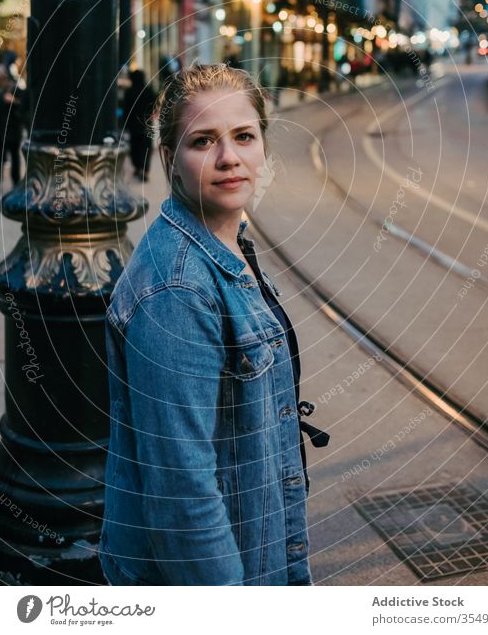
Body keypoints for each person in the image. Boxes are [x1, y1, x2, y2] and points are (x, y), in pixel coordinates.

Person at [99, 62, 329, 586]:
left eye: (244, 136)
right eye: (203, 141)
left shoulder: (228, 243)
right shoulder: (177, 290)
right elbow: (183, 495)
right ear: (169, 159)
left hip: (260, 545)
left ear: (263, 147)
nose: (229, 158)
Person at [123, 69, 156, 182]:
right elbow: (155, 103)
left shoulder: (129, 92)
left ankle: (137, 168)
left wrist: (125, 124)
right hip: (146, 124)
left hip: (134, 125)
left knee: (135, 147)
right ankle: (145, 170)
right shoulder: (148, 90)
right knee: (146, 147)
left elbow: (126, 110)